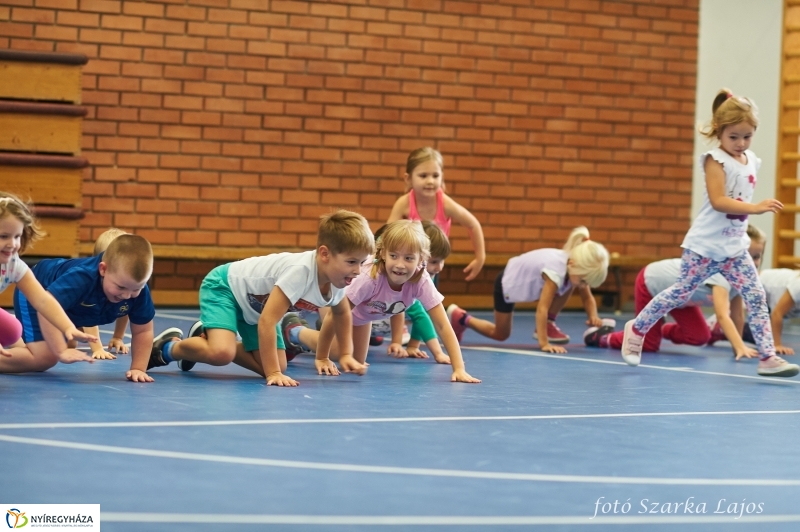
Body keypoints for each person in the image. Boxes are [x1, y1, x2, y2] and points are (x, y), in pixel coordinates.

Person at [620, 88, 799, 378]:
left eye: (747, 136)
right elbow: (719, 201)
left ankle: (767, 357)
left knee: (755, 295)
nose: (741, 143)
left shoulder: (751, 160)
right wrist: (755, 208)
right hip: (704, 247)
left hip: (734, 248)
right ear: (719, 131)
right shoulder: (714, 160)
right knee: (681, 293)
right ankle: (638, 327)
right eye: (734, 137)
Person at [156, 210, 375, 386]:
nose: (358, 271)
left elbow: (341, 313)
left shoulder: (338, 279)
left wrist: (341, 354)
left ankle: (210, 338)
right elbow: (268, 321)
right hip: (226, 288)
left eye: (362, 262)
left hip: (255, 308)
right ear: (325, 254)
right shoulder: (300, 272)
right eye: (351, 262)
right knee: (223, 354)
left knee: (279, 364)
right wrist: (273, 374)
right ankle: (168, 348)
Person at [283, 220, 481, 383]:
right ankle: (294, 330)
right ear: (383, 254)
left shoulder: (421, 281)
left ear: (422, 259)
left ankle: (309, 337)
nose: (400, 265)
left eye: (409, 258)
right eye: (394, 256)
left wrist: (459, 368)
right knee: (337, 352)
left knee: (356, 362)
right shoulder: (370, 278)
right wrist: (322, 357)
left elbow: (443, 325)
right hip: (335, 304)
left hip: (363, 316)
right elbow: (336, 315)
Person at [585, 226, 766, 360]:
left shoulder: (740, 279)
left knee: (700, 337)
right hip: (652, 283)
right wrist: (740, 346)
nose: (752, 262)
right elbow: (722, 315)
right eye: (747, 256)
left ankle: (659, 329)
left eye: (757, 257)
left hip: (682, 299)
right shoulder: (721, 273)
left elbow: (737, 315)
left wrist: (737, 349)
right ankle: (602, 337)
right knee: (648, 345)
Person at [13, 233, 163, 382]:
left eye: (136, 289)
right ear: (103, 269)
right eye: (121, 287)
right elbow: (46, 305)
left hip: (65, 305)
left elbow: (143, 330)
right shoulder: (82, 278)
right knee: (45, 358)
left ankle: (9, 334)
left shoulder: (135, 288)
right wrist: (61, 351)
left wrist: (138, 368)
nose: (127, 295)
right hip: (36, 288)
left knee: (68, 343)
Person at [445, 227, 610, 354]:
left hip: (523, 276)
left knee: (572, 284)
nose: (584, 285)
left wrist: (593, 317)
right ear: (574, 265)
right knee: (500, 334)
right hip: (507, 281)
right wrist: (544, 343)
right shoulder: (556, 273)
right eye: (584, 281)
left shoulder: (574, 265)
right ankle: (462, 319)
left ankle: (549, 323)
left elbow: (587, 297)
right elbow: (542, 309)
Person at [0, 192, 96, 369]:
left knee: (13, 331)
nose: (12, 244)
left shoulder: (13, 265)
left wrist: (68, 327)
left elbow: (43, 300)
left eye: (17, 236)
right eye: (4, 236)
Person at [387, 147, 486, 281]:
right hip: (410, 266)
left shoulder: (445, 204)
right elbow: (387, 234)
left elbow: (473, 225)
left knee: (430, 293)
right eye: (423, 176)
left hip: (434, 266)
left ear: (442, 177)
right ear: (408, 178)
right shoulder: (404, 204)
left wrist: (480, 257)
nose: (430, 181)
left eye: (435, 176)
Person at [69, 228, 130, 360]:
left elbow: (126, 308)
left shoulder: (125, 285)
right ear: (102, 267)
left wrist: (118, 337)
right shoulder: (88, 282)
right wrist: (97, 348)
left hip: (75, 316)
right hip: (62, 312)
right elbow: (88, 315)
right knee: (70, 344)